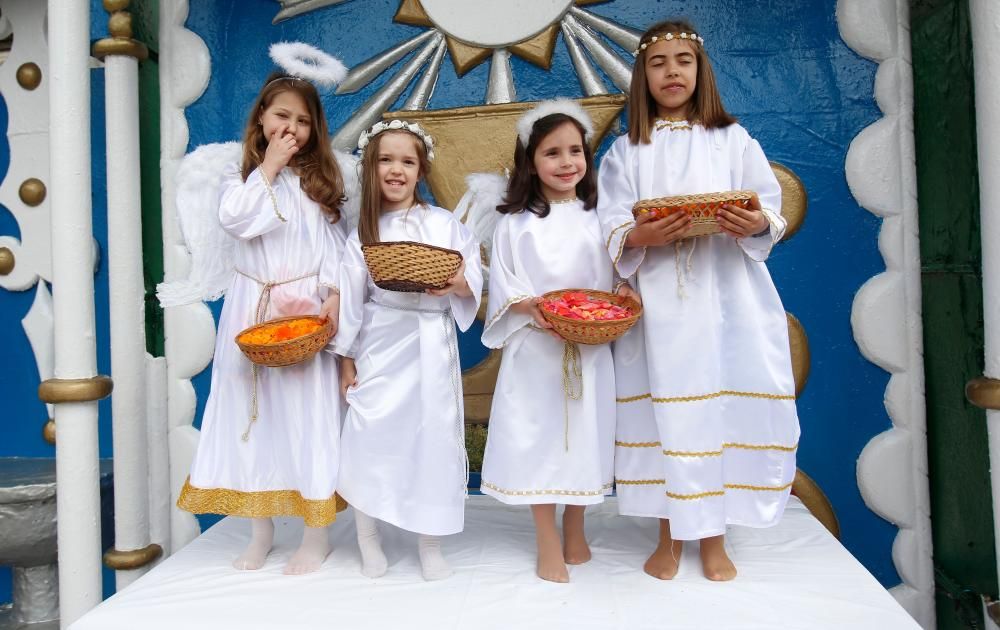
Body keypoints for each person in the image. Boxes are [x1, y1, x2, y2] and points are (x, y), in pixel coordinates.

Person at [597, 19, 800, 581]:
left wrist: (753, 221)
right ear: (642, 76)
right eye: (659, 64)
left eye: (682, 61)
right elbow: (611, 220)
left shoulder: (732, 139)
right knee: (670, 414)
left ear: (699, 70)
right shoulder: (626, 151)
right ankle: (669, 533)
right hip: (661, 307)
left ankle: (715, 537)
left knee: (720, 409)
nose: (672, 73)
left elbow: (770, 211)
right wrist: (638, 236)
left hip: (725, 298)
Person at [176, 72, 348, 575]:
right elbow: (239, 220)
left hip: (306, 314)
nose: (291, 128)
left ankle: (316, 537)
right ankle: (261, 530)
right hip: (254, 309)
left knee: (307, 416)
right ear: (262, 120)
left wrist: (334, 297)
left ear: (314, 129)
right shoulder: (240, 179)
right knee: (253, 420)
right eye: (281, 116)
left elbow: (336, 253)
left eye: (302, 120)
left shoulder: (321, 187)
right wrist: (268, 168)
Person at [480, 99, 638, 583]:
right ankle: (547, 537)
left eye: (576, 151)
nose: (567, 162)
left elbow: (620, 268)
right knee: (540, 440)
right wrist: (532, 307)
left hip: (591, 349)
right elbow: (505, 283)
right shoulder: (516, 222)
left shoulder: (602, 217)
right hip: (537, 351)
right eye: (553, 153)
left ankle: (576, 525)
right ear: (530, 161)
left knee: (584, 438)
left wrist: (624, 291)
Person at [333, 119, 483, 581]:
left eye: (407, 161)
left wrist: (459, 282)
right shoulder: (363, 232)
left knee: (431, 436)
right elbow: (351, 294)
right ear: (371, 169)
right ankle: (368, 536)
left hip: (430, 342)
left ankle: (430, 539)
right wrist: (346, 357)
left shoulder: (442, 223)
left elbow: (472, 273)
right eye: (385, 160)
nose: (396, 170)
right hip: (381, 339)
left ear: (421, 171)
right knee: (369, 431)